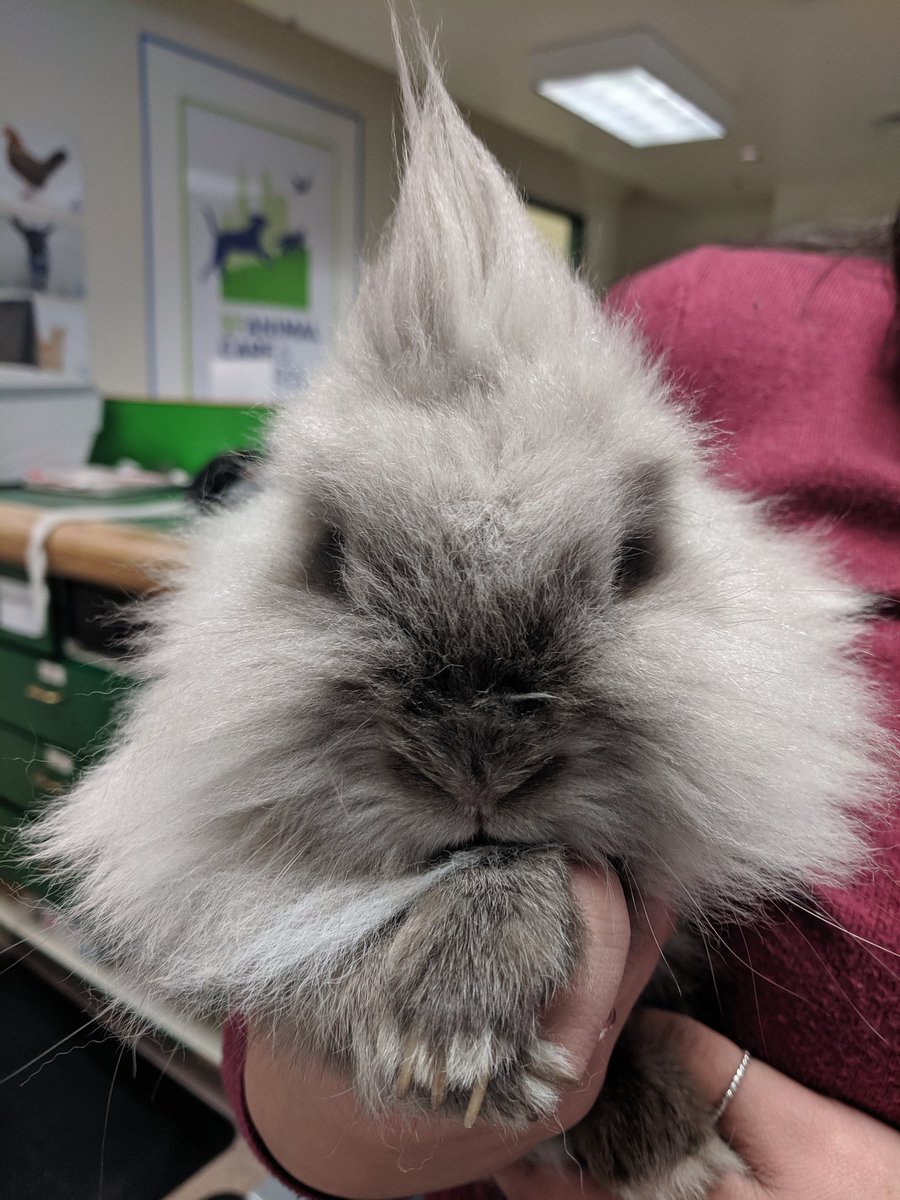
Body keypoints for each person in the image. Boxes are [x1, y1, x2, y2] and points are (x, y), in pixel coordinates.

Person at [222, 235, 900, 1198]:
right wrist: (365, 1056)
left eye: (622, 563)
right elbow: (265, 1043)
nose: (481, 760)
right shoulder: (720, 311)